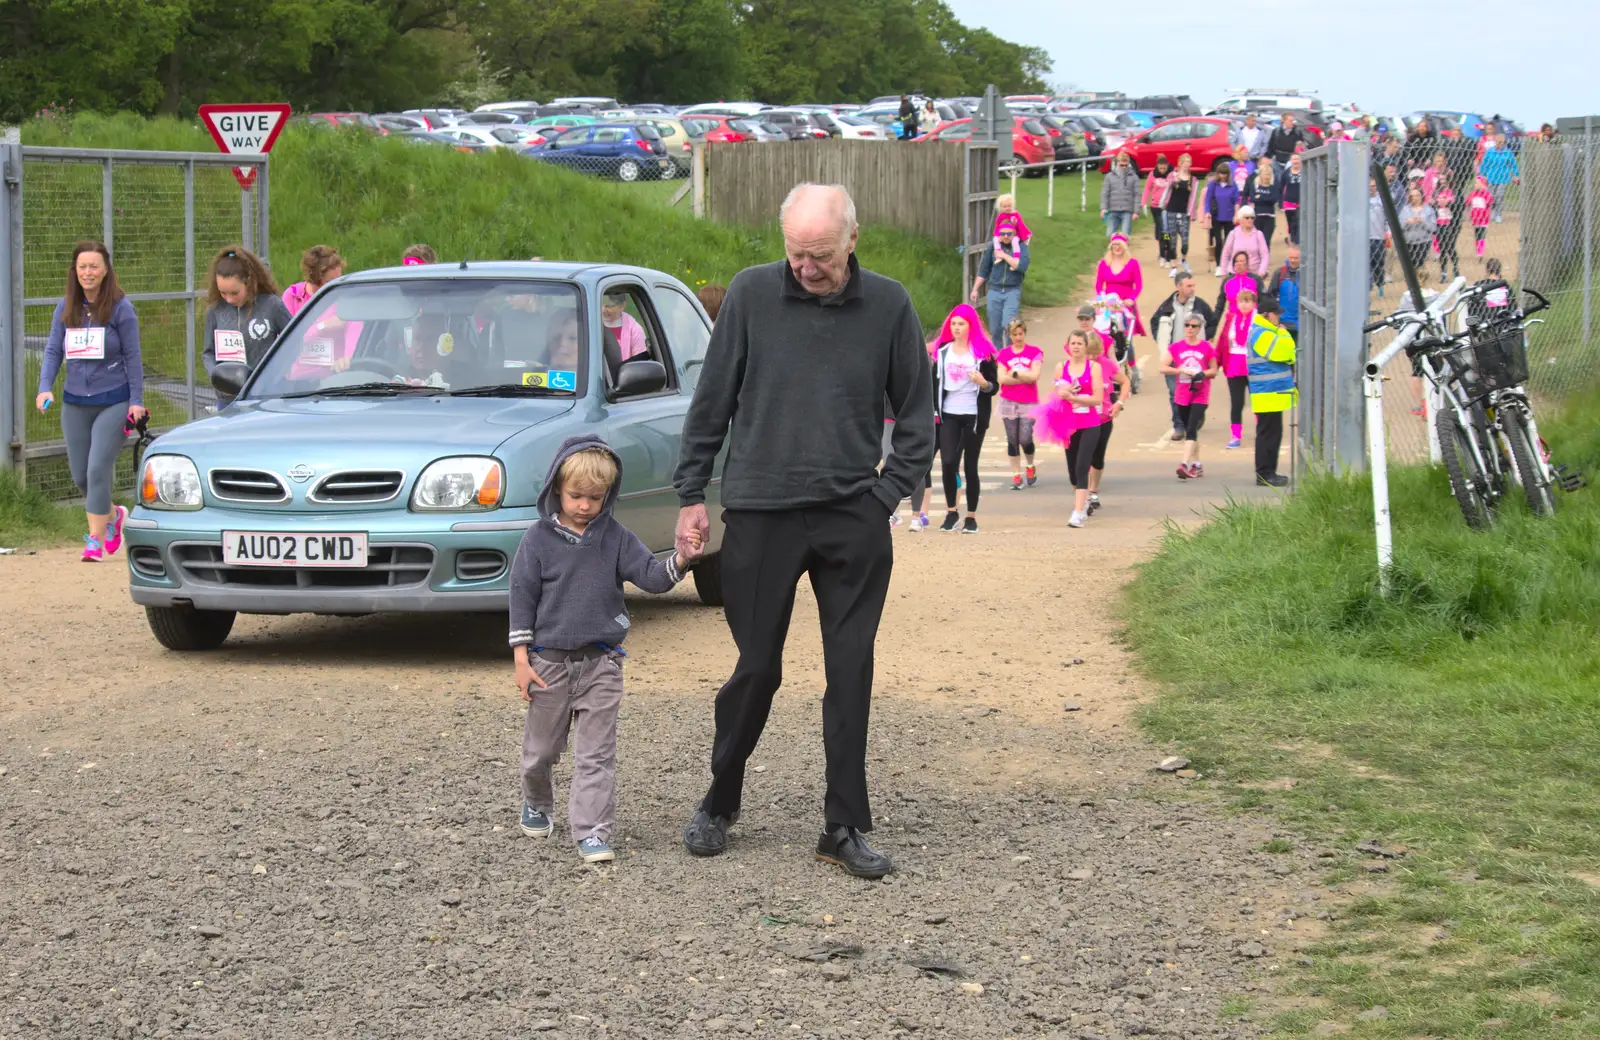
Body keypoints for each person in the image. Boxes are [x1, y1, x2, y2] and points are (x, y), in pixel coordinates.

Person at [673, 183, 935, 879]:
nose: (806, 268)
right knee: (757, 667)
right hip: (761, 511)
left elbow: (917, 412)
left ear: (852, 239)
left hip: (852, 514)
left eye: (819, 255)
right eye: (795, 254)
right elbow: (712, 400)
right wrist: (691, 493)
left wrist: (884, 495)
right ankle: (720, 799)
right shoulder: (753, 296)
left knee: (851, 670)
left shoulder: (889, 305)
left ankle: (842, 825)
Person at [509, 436, 701, 864]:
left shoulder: (616, 538)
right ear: (556, 489)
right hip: (548, 665)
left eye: (595, 498)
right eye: (576, 496)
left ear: (608, 495)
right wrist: (522, 659)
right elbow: (521, 596)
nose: (584, 505)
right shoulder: (538, 539)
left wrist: (683, 557)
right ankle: (537, 801)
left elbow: (652, 577)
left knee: (596, 755)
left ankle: (592, 831)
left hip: (602, 665)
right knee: (539, 753)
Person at [34, 241, 145, 563]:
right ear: (75, 271)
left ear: (106, 269)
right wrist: (45, 388)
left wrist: (135, 401)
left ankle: (93, 540)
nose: (88, 273)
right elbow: (54, 350)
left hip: (113, 400)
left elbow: (133, 357)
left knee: (97, 469)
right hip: (74, 401)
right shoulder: (66, 306)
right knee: (80, 476)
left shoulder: (121, 308)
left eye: (94, 266)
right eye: (82, 267)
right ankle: (113, 516)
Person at [931, 304, 998, 532]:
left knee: (970, 466)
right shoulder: (942, 352)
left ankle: (971, 517)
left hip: (974, 415)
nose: (957, 328)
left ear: (971, 326)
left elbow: (993, 386)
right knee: (948, 462)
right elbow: (934, 384)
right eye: (954, 323)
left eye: (962, 324)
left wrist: (983, 383)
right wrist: (933, 411)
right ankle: (951, 512)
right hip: (949, 414)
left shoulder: (983, 353)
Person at [1034, 330, 1104, 529]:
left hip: (1090, 423)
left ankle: (1078, 512)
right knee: (1073, 471)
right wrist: (1061, 393)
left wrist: (1076, 399)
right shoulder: (1061, 367)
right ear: (1068, 346)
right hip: (1068, 424)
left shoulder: (1094, 367)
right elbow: (1055, 394)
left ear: (1085, 346)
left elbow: (1098, 398)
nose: (1076, 347)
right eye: (1073, 343)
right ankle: (1083, 500)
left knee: (1083, 466)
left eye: (1080, 343)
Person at [200, 245, 292, 384]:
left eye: (235, 293)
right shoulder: (215, 310)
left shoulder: (272, 305)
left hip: (265, 393)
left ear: (248, 281)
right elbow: (208, 353)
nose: (229, 299)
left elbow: (294, 342)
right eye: (223, 293)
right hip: (228, 397)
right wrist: (218, 378)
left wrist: (278, 373)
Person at [1151, 271, 1218, 440]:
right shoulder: (1166, 306)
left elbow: (1212, 321)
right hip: (1174, 357)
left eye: (1193, 285)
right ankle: (1179, 426)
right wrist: (1163, 345)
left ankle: (1197, 416)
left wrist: (1206, 339)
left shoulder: (1200, 305)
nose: (1192, 289)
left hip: (1196, 358)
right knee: (1175, 392)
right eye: (1189, 286)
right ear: (1178, 287)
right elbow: (1155, 324)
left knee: (1197, 391)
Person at [1245, 293, 1295, 487]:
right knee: (1268, 434)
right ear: (1267, 315)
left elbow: (1289, 356)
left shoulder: (1264, 331)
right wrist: (1283, 333)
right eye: (1276, 314)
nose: (1279, 318)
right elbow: (1284, 353)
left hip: (1270, 392)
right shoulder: (1264, 333)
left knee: (1271, 433)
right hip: (1267, 392)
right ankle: (1265, 474)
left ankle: (1269, 472)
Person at [1159, 314, 1218, 479]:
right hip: (1182, 393)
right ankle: (1197, 465)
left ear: (1199, 329)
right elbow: (1162, 367)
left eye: (1193, 326)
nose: (1190, 329)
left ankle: (1184, 464)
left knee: (1192, 428)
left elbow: (1214, 370)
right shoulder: (1176, 347)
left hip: (1200, 393)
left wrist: (1202, 373)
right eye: (1187, 325)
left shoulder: (1207, 347)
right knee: (1189, 430)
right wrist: (1180, 370)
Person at [1084, 320, 1130, 515]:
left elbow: (1126, 381)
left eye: (1096, 353)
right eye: (1089, 353)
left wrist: (1119, 403)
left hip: (1104, 417)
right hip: (1083, 418)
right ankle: (1083, 492)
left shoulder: (1107, 365)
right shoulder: (1077, 366)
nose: (1093, 357)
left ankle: (1094, 489)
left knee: (1098, 456)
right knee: (1083, 456)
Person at [995, 319, 1043, 490]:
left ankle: (1030, 465)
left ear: (1025, 333)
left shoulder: (1034, 352)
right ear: (1010, 335)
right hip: (1008, 401)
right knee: (1012, 439)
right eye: (1014, 334)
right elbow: (1001, 379)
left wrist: (1014, 373)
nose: (1018, 337)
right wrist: (1024, 376)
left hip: (1028, 402)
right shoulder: (1004, 354)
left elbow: (1035, 376)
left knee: (1025, 437)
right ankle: (1016, 474)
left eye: (1020, 334)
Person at [970, 224, 1029, 345]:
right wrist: (975, 289)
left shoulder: (1021, 247)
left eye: (1009, 234)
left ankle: (1009, 355)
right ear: (998, 234)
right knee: (995, 329)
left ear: (1014, 234)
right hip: (994, 291)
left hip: (1012, 290)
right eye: (1003, 234)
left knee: (1008, 326)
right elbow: (984, 270)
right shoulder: (993, 247)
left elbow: (1022, 266)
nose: (1006, 236)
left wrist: (1004, 256)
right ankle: (998, 357)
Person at [1094, 234, 1146, 338]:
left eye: (1120, 245)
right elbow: (1098, 284)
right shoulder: (1104, 263)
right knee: (1107, 332)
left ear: (1125, 246)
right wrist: (1102, 298)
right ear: (1111, 247)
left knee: (1125, 335)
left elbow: (1138, 285)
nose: (1117, 247)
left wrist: (1131, 299)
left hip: (1125, 302)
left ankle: (1128, 352)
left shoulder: (1133, 263)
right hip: (1109, 303)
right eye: (1115, 245)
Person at [1159, 153, 1200, 271]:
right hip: (1171, 210)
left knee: (1185, 240)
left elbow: (1193, 197)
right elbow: (1166, 188)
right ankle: (1173, 264)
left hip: (1184, 212)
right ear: (1180, 163)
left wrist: (1192, 213)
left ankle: (1184, 259)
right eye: (1184, 161)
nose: (1187, 163)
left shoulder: (1193, 180)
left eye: (1189, 161)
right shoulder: (1173, 175)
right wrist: (1172, 181)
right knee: (1171, 238)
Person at [282, 245, 343, 316]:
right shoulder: (292, 294)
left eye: (339, 279)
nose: (336, 285)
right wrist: (322, 325)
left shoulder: (344, 295)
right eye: (329, 282)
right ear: (314, 279)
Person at [1203, 169, 1242, 275]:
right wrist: (1207, 212)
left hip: (1229, 217)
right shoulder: (1213, 185)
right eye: (1221, 173)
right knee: (1218, 241)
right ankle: (1219, 265)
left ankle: (1229, 264)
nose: (1223, 175)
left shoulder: (1233, 185)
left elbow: (1237, 200)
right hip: (1216, 216)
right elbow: (1208, 199)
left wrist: (1236, 214)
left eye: (1225, 173)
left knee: (1229, 242)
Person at [1477, 132, 1519, 223]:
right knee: (1491, 196)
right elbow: (1485, 163)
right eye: (1498, 142)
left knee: (1499, 196)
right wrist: (1482, 175)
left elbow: (1513, 164)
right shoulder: (1490, 151)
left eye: (1502, 142)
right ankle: (1491, 212)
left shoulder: (1507, 152)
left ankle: (1498, 214)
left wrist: (1516, 175)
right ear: (1495, 142)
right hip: (1491, 177)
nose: (1500, 144)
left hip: (1502, 177)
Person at [1398, 186, 1436, 284]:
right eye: (1412, 196)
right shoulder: (1405, 210)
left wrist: (1423, 221)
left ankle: (1420, 280)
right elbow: (1399, 226)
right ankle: (1412, 279)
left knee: (1420, 262)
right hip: (1408, 241)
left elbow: (1433, 228)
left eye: (1417, 195)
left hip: (1423, 241)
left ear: (1421, 196)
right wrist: (1407, 222)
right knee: (1410, 262)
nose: (1415, 198)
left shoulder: (1429, 210)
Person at [1220, 206, 1270, 278]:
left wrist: (1261, 272)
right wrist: (1223, 273)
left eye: (1252, 217)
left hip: (1254, 274)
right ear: (1240, 219)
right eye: (1247, 218)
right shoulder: (1233, 234)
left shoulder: (1259, 234)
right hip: (1235, 274)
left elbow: (1265, 255)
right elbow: (1225, 253)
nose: (1250, 220)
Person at [1100, 152, 1141, 237]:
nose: (1124, 167)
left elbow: (1137, 195)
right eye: (1122, 165)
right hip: (1112, 210)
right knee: (1110, 234)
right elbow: (1105, 193)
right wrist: (1103, 208)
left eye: (1126, 165)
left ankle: (1125, 249)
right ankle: (1112, 249)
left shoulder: (1134, 177)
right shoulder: (1109, 176)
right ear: (1117, 163)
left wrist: (1136, 212)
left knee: (1125, 235)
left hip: (1127, 210)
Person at [1142, 155, 1174, 264]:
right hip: (1156, 207)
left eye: (1164, 168)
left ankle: (1166, 253)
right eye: (1160, 168)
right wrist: (1144, 203)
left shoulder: (1172, 174)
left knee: (1166, 231)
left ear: (1167, 166)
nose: (1162, 171)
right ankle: (1162, 250)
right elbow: (1147, 188)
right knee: (1159, 231)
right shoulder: (1152, 174)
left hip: (1168, 207)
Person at [600, 293, 648, 360]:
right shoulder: (591, 324)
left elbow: (639, 363)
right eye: (601, 304)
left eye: (609, 306)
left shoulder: (635, 330)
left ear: (622, 306)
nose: (603, 310)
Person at [1245, 159, 1281, 246]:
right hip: (1257, 216)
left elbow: (1274, 199)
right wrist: (1266, 198)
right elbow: (1253, 198)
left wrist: (1260, 197)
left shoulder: (1274, 185)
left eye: (1269, 174)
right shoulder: (1255, 185)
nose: (1267, 176)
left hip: (1270, 217)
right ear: (1260, 174)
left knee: (1266, 241)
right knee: (1256, 241)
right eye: (1265, 174)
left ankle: (1265, 259)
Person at [1268, 246, 1302, 338]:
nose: (1293, 260)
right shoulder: (1280, 273)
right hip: (1283, 323)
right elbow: (1270, 296)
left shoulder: (1306, 274)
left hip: (1301, 324)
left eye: (1296, 258)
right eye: (1291, 257)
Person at [1433, 179, 1461, 280]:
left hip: (1451, 224)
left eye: (1445, 179)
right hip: (1440, 224)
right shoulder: (1436, 193)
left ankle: (1455, 268)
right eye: (1441, 179)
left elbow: (1457, 206)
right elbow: (1434, 204)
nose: (1443, 181)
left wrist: (1449, 203)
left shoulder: (1454, 192)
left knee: (1450, 247)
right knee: (1442, 250)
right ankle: (1444, 272)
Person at [1369, 176, 1391, 296]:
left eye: (1373, 186)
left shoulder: (1381, 200)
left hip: (1378, 236)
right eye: (1369, 186)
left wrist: (1388, 233)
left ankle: (1380, 284)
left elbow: (1387, 218)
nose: (1371, 189)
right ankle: (1367, 286)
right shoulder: (1360, 200)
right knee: (1365, 263)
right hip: (1364, 237)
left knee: (1378, 263)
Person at [1467, 175, 1493, 258]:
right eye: (1475, 183)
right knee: (1477, 235)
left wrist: (1484, 191)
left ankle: (1480, 251)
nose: (1476, 185)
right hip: (1475, 218)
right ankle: (1478, 250)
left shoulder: (1486, 194)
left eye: (1478, 183)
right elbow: (1467, 202)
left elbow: (1490, 201)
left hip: (1483, 218)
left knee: (1482, 234)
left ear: (1483, 184)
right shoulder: (1473, 194)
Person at [1281, 153, 1303, 245]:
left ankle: (1298, 240)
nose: (1296, 161)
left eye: (1297, 159)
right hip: (1289, 202)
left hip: (1302, 201)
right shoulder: (1286, 173)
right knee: (1290, 223)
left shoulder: (1306, 171)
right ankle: (1291, 240)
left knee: (1300, 222)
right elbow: (1281, 187)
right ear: (1290, 161)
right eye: (1294, 159)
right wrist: (1280, 202)